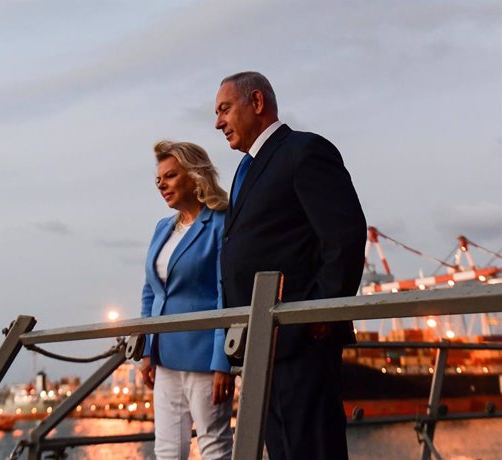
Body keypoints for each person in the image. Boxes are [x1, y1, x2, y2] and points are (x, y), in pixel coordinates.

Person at [214, 71, 367, 459]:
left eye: (225, 109)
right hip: (262, 344)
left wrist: (319, 313)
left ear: (258, 103)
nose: (218, 122)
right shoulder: (245, 170)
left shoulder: (304, 151)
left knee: (311, 449)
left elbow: (345, 236)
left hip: (300, 341)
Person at [140, 140, 235, 460]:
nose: (161, 185)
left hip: (205, 356)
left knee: (215, 445)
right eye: (158, 180)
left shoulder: (220, 223)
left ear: (194, 176)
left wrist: (223, 361)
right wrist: (145, 350)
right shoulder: (162, 228)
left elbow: (226, 293)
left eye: (169, 176)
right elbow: (150, 291)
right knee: (167, 449)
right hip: (164, 358)